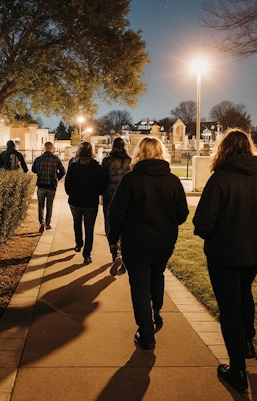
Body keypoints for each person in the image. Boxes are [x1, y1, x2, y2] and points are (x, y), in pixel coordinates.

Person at [192, 129, 257, 392]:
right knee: (244, 292)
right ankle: (246, 341)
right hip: (254, 252)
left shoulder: (220, 180)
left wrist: (215, 233)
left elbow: (203, 222)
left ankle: (237, 369)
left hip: (224, 253)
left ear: (223, 150)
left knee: (230, 306)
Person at [107, 137, 189, 351]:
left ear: (139, 153)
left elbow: (116, 213)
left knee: (140, 285)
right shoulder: (172, 181)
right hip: (164, 239)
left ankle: (146, 333)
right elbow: (182, 214)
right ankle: (156, 311)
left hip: (136, 240)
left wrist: (113, 239)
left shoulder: (131, 180)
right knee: (157, 275)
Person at [64, 142, 106, 264]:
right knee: (89, 228)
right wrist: (97, 193)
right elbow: (102, 185)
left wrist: (70, 193)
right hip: (90, 202)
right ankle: (87, 254)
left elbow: (67, 183)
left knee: (77, 222)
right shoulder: (97, 167)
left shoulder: (73, 166)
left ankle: (78, 243)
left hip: (75, 201)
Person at [101, 137, 131, 276]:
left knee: (110, 224)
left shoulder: (107, 161)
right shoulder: (130, 161)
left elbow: (102, 179)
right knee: (125, 227)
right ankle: (124, 257)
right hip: (126, 197)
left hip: (110, 196)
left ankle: (114, 254)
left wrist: (101, 193)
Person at [31, 142, 66, 232]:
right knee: (49, 205)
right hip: (51, 185)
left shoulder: (38, 159)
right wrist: (56, 177)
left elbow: (33, 170)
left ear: (44, 148)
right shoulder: (56, 159)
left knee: (41, 205)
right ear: (52, 148)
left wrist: (40, 172)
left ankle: (41, 221)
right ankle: (48, 223)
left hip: (41, 185)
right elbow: (63, 171)